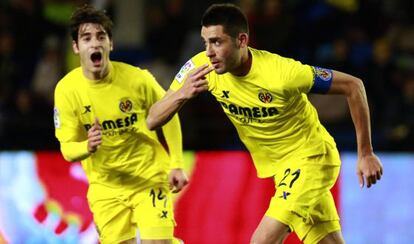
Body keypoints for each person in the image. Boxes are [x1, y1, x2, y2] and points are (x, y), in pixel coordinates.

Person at [146, 3, 383, 244]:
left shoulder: (282, 73)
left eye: (217, 42)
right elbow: (153, 118)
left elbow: (353, 86)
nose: (208, 51)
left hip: (311, 159)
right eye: (205, 42)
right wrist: (182, 94)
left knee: (261, 241)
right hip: (281, 171)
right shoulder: (201, 68)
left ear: (241, 40)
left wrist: (366, 153)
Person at [53, 5, 187, 244]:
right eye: (86, 38)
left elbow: (170, 113)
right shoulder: (66, 91)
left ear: (110, 44)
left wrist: (176, 163)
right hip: (106, 189)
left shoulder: (137, 79)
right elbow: (67, 148)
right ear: (76, 47)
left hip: (149, 178)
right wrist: (88, 147)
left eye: (101, 36)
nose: (95, 43)